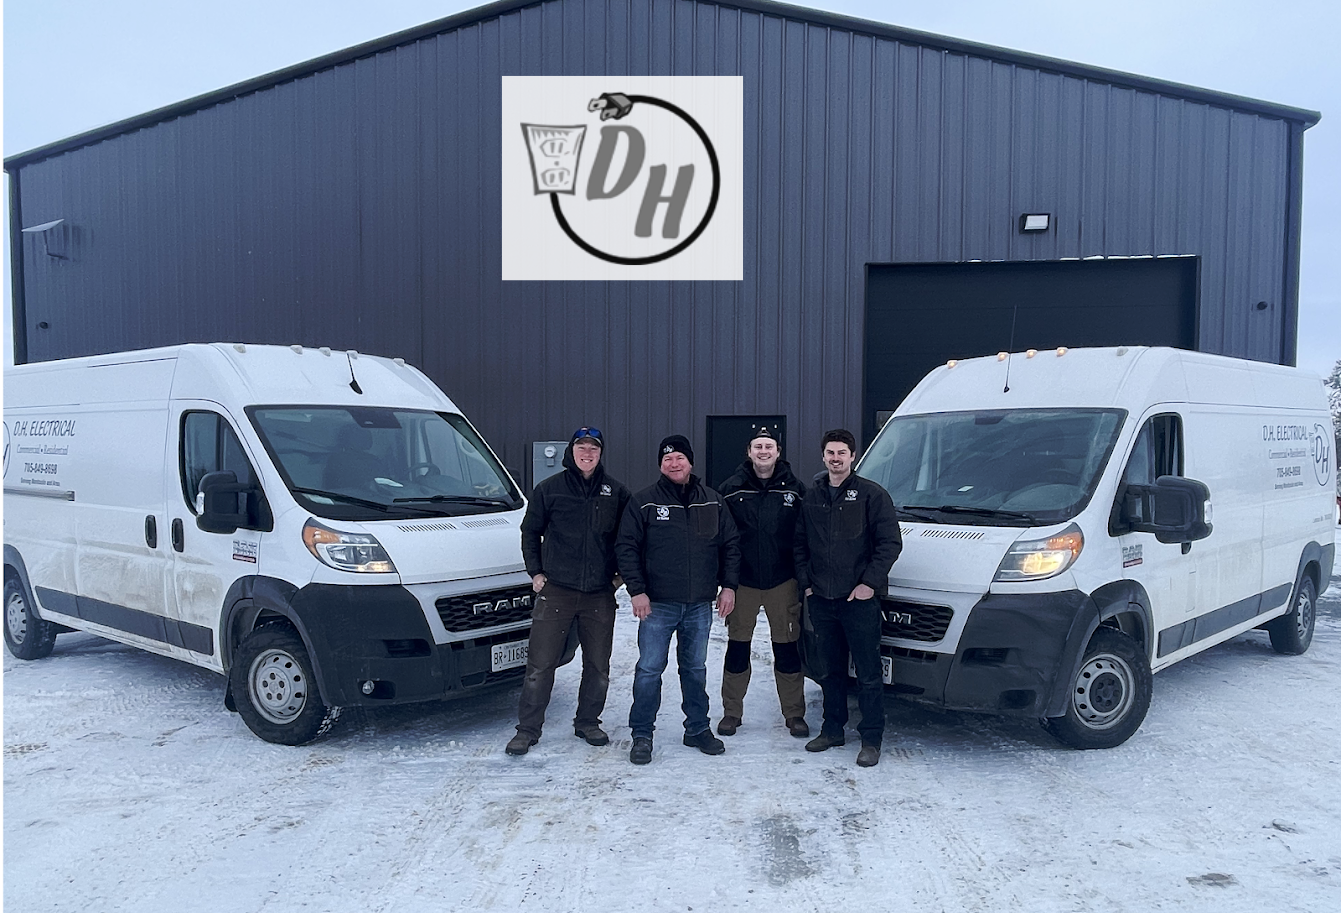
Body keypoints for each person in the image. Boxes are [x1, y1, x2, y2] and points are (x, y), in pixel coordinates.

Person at [616, 434, 741, 765]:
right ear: (661, 464)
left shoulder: (712, 501)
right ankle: (642, 734)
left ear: (691, 462)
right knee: (649, 669)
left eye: (680, 458)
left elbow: (730, 545)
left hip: (699, 604)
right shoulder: (644, 502)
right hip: (657, 604)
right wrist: (637, 590)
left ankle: (697, 728)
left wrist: (729, 586)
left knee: (695, 669)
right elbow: (626, 547)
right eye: (668, 459)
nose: (674, 463)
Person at [506, 426, 631, 756]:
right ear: (570, 452)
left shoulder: (616, 492)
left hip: (599, 594)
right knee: (540, 665)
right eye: (581, 447)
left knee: (598, 665)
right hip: (557, 590)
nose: (587, 453)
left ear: (601, 453)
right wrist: (535, 572)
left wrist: (619, 577)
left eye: (593, 448)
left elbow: (628, 539)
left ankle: (588, 721)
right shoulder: (549, 489)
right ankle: (528, 729)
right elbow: (530, 532)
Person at [793, 428, 901, 767]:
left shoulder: (872, 495)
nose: (835, 459)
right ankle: (832, 729)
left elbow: (889, 544)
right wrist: (807, 583)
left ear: (853, 456)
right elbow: (798, 544)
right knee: (831, 670)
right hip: (822, 599)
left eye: (842, 453)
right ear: (823, 456)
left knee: (868, 673)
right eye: (830, 453)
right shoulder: (812, 496)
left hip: (859, 600)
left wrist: (869, 582)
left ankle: (870, 738)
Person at [715, 425, 810, 738]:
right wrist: (725, 581)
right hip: (743, 581)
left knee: (786, 649)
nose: (764, 452)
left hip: (783, 581)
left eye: (769, 446)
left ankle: (794, 714)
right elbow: (722, 540)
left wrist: (804, 578)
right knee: (738, 648)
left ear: (778, 452)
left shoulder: (795, 490)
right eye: (758, 446)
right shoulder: (731, 489)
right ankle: (731, 712)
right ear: (749, 452)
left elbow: (805, 537)